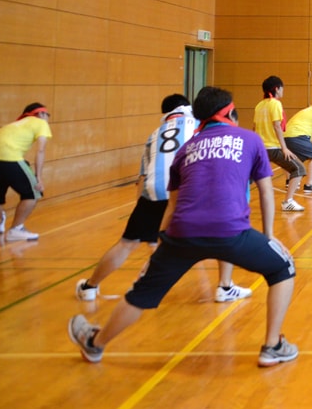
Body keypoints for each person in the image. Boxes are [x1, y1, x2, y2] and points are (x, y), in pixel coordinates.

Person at [67, 86, 298, 366]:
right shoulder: (249, 140)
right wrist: (270, 237)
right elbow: (265, 191)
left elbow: (174, 207)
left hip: (182, 235)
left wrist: (160, 250)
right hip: (231, 233)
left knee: (141, 294)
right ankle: (272, 347)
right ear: (231, 113)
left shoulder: (186, 148)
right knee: (282, 267)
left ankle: (95, 344)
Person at [74, 94, 251, 303]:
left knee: (127, 243)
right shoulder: (200, 126)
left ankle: (89, 287)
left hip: (154, 192)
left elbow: (142, 177)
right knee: (224, 232)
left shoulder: (155, 133)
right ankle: (225, 286)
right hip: (187, 189)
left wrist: (143, 213)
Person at [0, 102, 52, 241]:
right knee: (33, 192)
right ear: (40, 114)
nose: (48, 118)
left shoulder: (13, 125)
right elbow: (41, 150)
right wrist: (39, 177)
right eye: (47, 114)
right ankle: (16, 229)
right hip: (10, 157)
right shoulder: (40, 122)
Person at [253, 76, 306, 212]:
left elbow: (254, 127)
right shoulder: (275, 104)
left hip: (260, 148)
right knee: (299, 169)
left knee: (250, 176)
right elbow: (277, 126)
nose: (283, 91)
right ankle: (288, 201)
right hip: (272, 147)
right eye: (282, 88)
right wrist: (284, 148)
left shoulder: (259, 105)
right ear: (277, 88)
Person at [283, 95, 312, 194]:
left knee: (293, 158)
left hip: (286, 135)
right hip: (298, 135)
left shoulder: (308, 110)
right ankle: (309, 185)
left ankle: (289, 181)